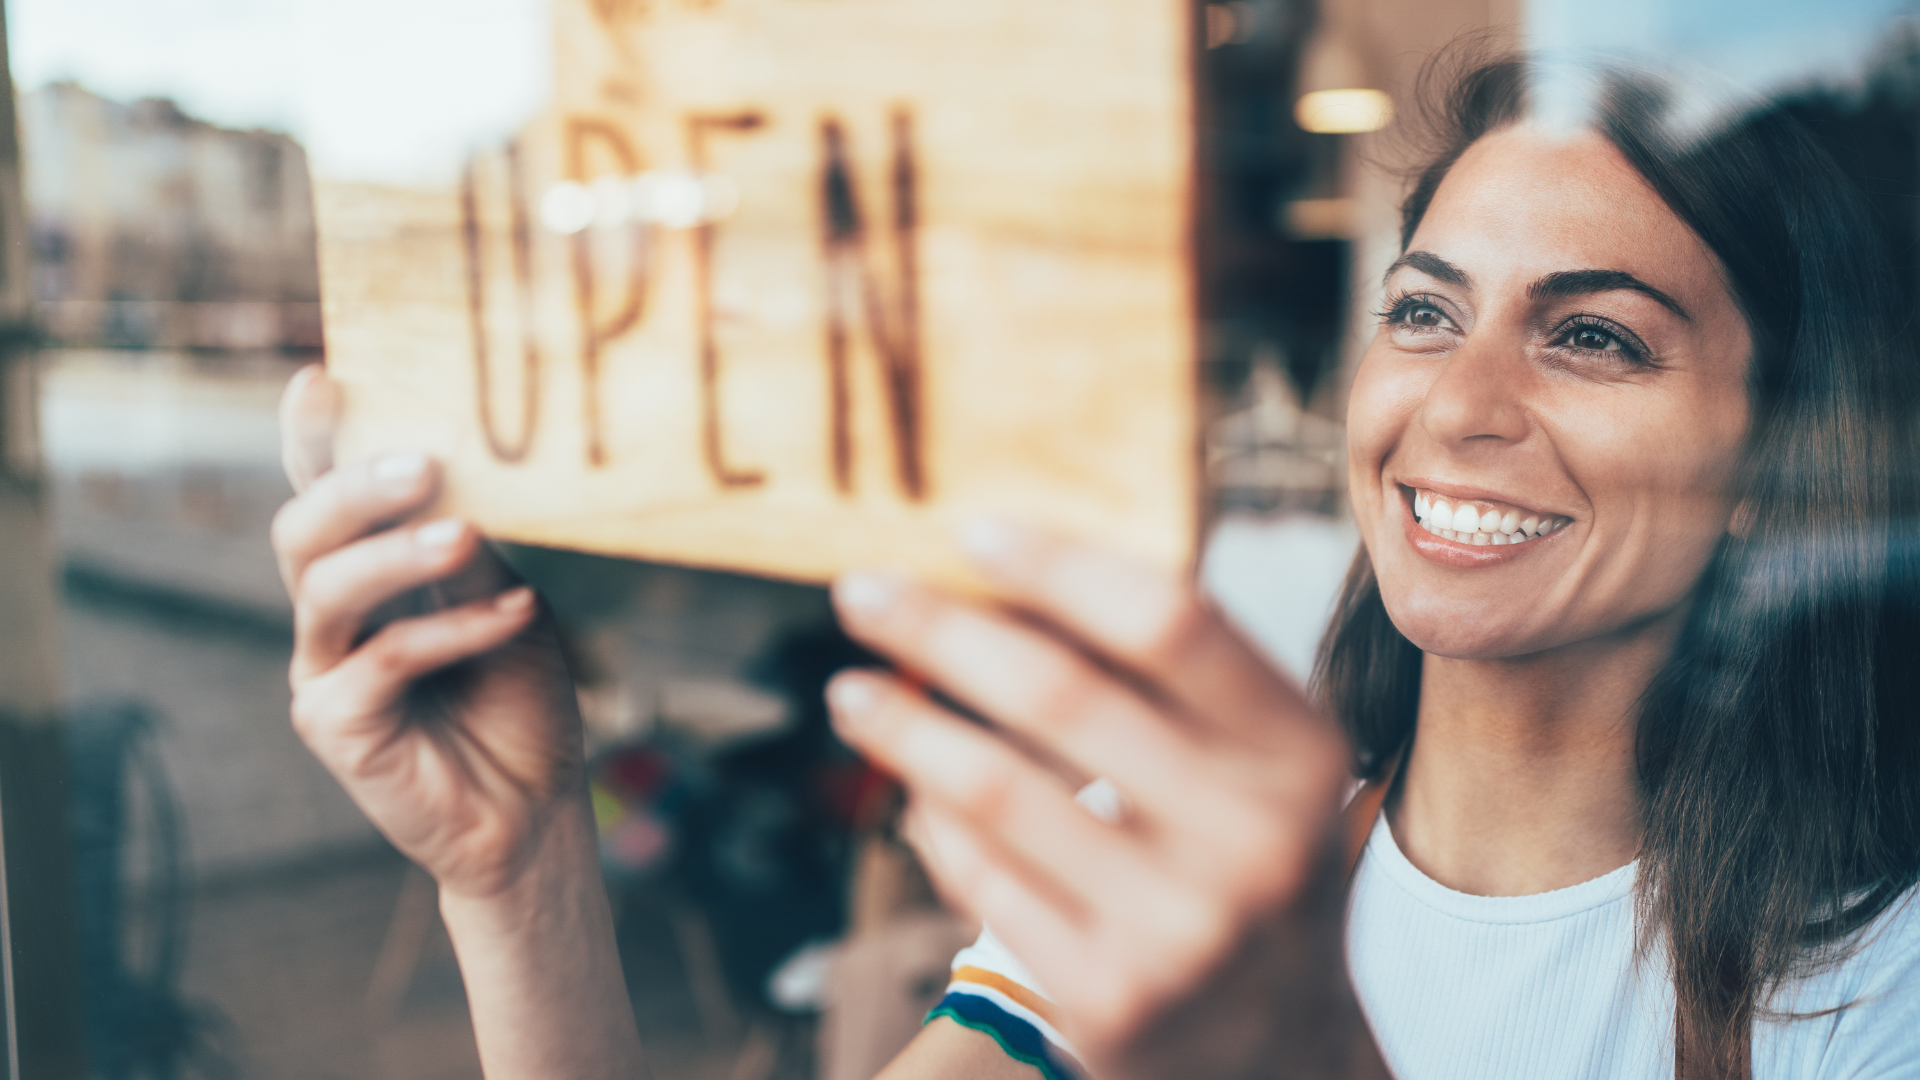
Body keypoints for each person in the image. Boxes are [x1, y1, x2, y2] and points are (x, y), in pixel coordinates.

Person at [270, 53, 1920, 1080]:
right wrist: (523, 874)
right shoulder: (1160, 881)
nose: (1457, 408)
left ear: (1779, 456)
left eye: (1592, 336)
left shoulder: (1875, 992)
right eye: (1423, 311)